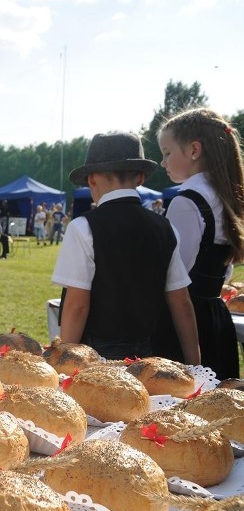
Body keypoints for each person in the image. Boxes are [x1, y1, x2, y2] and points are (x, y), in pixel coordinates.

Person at [52, 132, 199, 363]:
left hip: (96, 357)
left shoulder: (83, 227)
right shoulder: (165, 228)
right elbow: (181, 302)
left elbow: (77, 305)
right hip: (149, 356)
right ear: (140, 178)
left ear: (91, 179)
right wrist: (194, 363)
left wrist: (65, 362)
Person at [151, 108, 244, 379]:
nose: (162, 161)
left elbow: (174, 275)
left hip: (185, 322)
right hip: (216, 316)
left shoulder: (186, 201)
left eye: (167, 152)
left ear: (194, 150)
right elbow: (223, 271)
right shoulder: (223, 195)